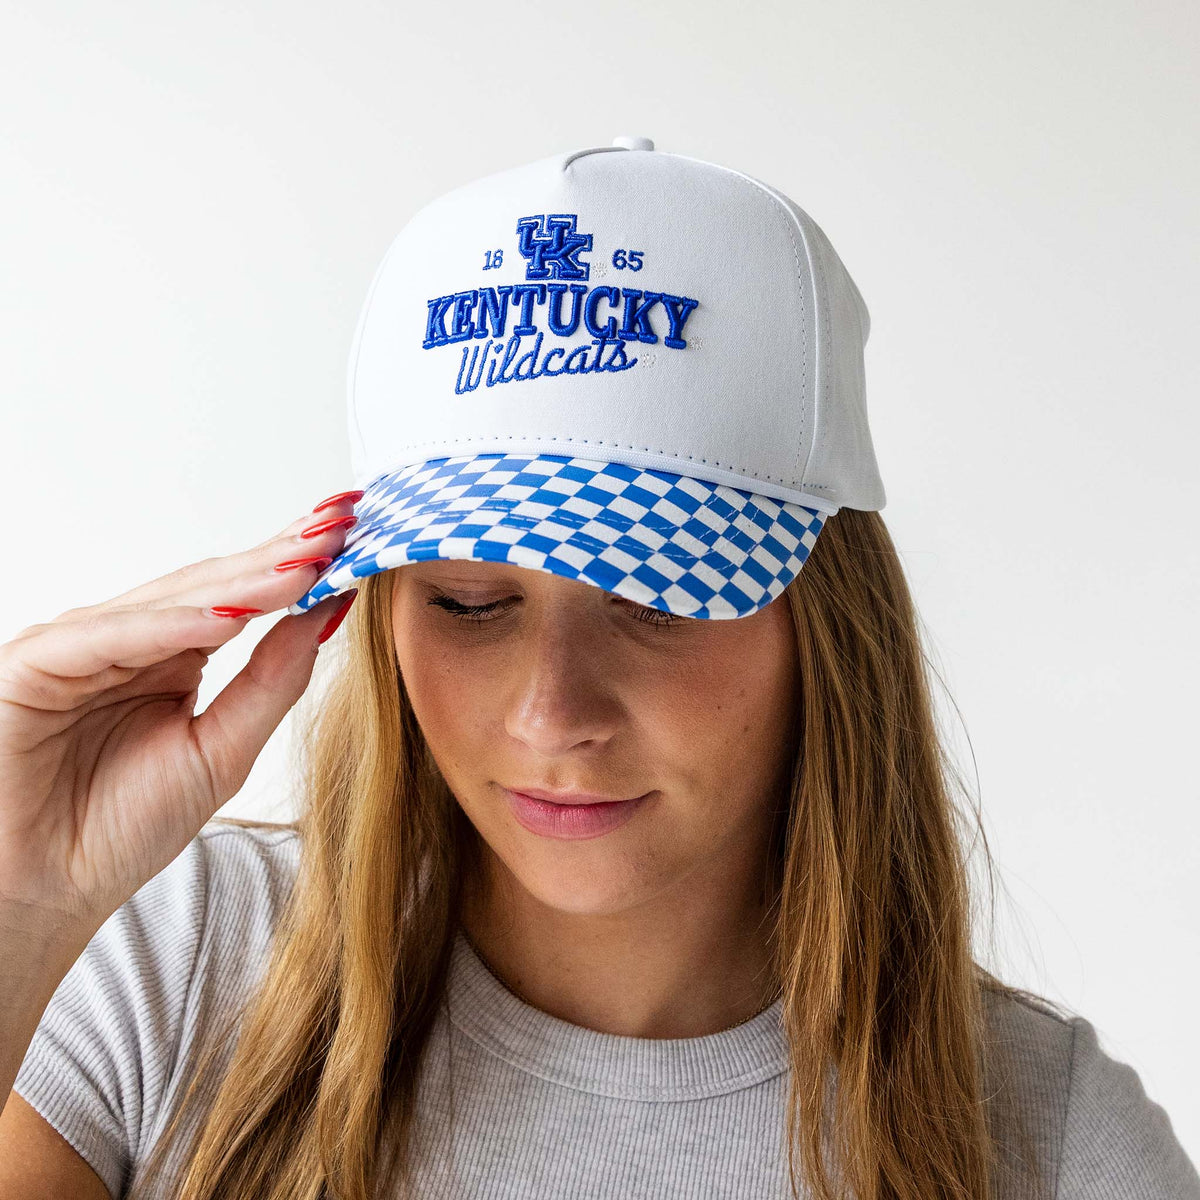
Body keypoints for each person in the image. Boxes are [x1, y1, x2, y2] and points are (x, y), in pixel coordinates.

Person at [0, 135, 1196, 1200]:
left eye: (656, 599)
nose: (550, 713)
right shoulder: (165, 967)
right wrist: (22, 907)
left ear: (831, 628)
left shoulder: (1052, 1140)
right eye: (469, 604)